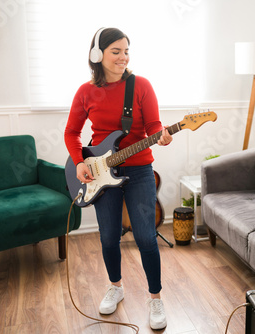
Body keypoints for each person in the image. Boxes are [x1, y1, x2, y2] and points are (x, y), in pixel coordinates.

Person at [64, 27, 171, 330]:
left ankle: (156, 299)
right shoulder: (86, 92)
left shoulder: (141, 86)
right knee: (109, 236)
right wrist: (80, 161)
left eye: (126, 51)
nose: (123, 57)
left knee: (146, 238)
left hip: (139, 171)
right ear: (97, 55)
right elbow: (71, 132)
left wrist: (160, 137)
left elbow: (153, 125)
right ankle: (116, 286)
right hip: (100, 173)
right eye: (116, 51)